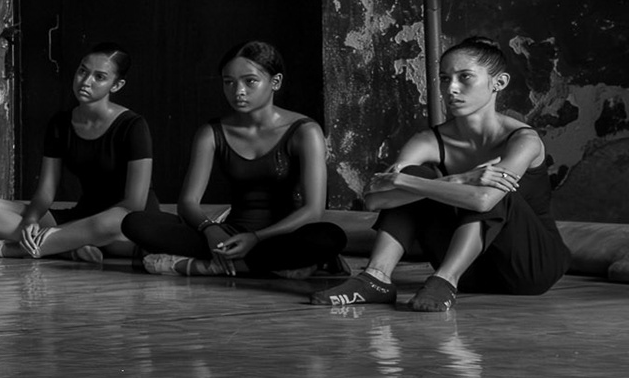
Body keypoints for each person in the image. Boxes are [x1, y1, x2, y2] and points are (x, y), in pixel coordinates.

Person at [313, 37, 569, 311]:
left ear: (499, 82)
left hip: (529, 267)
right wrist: (456, 179)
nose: (451, 88)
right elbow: (375, 199)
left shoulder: (523, 140)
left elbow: (483, 201)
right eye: (445, 79)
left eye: (465, 77)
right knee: (418, 173)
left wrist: (404, 181)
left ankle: (444, 281)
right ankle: (376, 278)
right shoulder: (429, 141)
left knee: (493, 185)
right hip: (469, 268)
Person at [122, 40, 346, 278]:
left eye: (250, 81)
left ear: (275, 82)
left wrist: (255, 238)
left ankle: (211, 267)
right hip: (228, 235)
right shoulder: (212, 133)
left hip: (282, 236)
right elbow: (187, 202)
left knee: (330, 237)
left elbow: (313, 210)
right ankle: (276, 267)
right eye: (229, 82)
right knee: (135, 223)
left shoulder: (304, 131)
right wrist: (210, 230)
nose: (238, 91)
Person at [0, 43, 156, 261]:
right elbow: (45, 192)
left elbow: (134, 204)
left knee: (109, 222)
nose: (86, 81)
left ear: (116, 85)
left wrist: (73, 229)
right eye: (82, 71)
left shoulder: (133, 126)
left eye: (99, 77)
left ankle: (17, 249)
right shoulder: (60, 124)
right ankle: (66, 247)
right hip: (82, 215)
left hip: (121, 223)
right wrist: (31, 220)